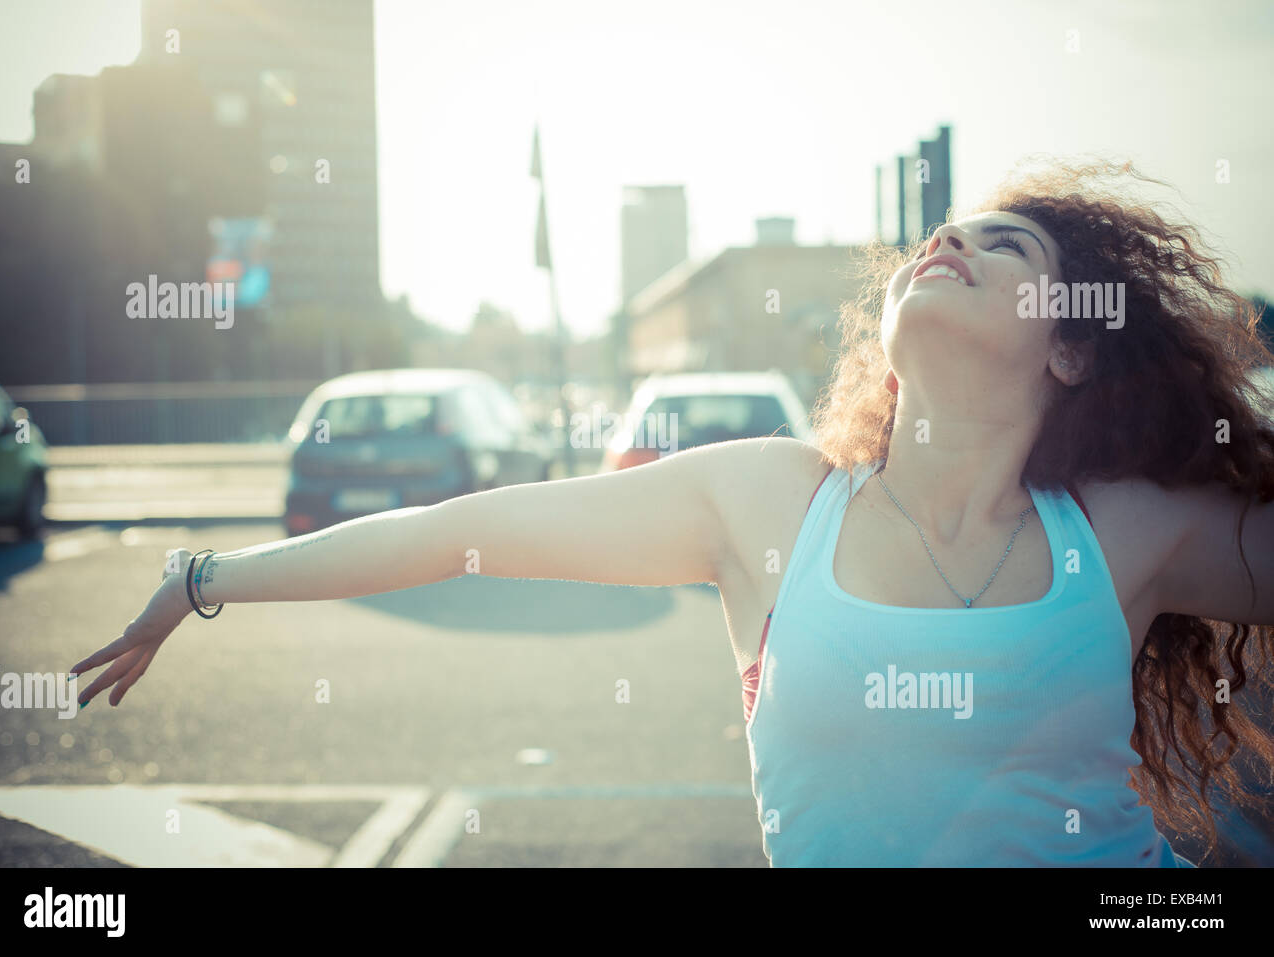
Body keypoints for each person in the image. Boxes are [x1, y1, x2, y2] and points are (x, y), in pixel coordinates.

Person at [69, 160, 1274, 867]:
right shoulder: (767, 503)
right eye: (943, 234)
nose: (950, 238)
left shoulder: (1117, 534)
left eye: (1003, 246)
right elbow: (456, 532)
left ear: (1069, 352)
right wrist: (202, 577)